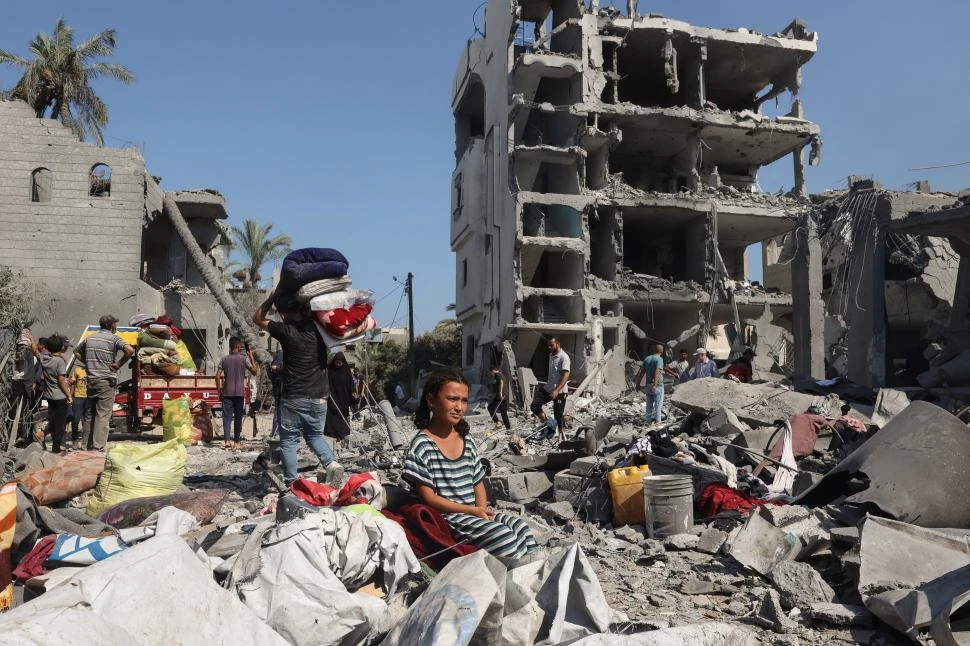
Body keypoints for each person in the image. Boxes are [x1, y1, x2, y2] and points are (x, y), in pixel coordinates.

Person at [403, 370, 538, 560]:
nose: (459, 407)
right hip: (449, 519)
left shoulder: (466, 440)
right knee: (504, 537)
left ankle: (530, 574)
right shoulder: (423, 445)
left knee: (521, 528)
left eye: (464, 400)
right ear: (431, 400)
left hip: (472, 514)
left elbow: (478, 483)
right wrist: (472, 511)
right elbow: (429, 499)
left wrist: (480, 510)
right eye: (452, 399)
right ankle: (509, 579)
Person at [253, 291, 343, 487]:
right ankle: (331, 464)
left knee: (289, 442)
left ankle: (292, 483)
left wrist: (272, 298)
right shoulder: (319, 330)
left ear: (284, 313)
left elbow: (257, 318)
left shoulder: (285, 330)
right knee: (315, 436)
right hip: (320, 396)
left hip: (293, 396)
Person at [74, 315, 133, 451]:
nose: (116, 327)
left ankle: (85, 445)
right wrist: (118, 364)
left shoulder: (90, 338)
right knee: (103, 414)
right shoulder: (114, 338)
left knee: (89, 414)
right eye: (115, 325)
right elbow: (129, 350)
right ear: (112, 325)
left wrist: (88, 363)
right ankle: (98, 446)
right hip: (106, 381)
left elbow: (76, 351)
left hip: (91, 381)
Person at [215, 337, 257, 449]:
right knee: (238, 418)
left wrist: (219, 390)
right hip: (239, 393)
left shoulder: (224, 359)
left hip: (227, 393)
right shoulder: (244, 359)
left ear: (230, 346)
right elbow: (254, 371)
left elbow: (217, 376)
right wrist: (251, 356)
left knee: (226, 418)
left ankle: (227, 442)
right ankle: (236, 442)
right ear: (238, 346)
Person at [34, 334, 71, 453]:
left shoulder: (44, 358)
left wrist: (30, 338)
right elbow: (61, 381)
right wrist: (69, 395)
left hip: (49, 396)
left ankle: (42, 434)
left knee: (54, 419)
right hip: (60, 397)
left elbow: (35, 350)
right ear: (60, 347)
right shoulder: (59, 361)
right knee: (60, 424)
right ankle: (56, 449)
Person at [530, 337, 570, 440]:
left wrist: (557, 390)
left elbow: (566, 376)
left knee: (558, 415)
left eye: (552, 345)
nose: (550, 347)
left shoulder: (564, 357)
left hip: (560, 391)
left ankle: (561, 438)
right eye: (549, 345)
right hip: (548, 388)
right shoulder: (551, 356)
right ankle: (549, 424)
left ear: (558, 343)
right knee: (534, 405)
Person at [325, 352, 354, 447]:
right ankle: (332, 434)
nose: (338, 364)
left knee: (343, 416)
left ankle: (343, 434)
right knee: (332, 414)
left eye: (340, 362)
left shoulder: (346, 369)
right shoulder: (330, 369)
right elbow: (326, 382)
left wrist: (353, 392)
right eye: (337, 362)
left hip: (343, 398)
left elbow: (351, 383)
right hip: (332, 397)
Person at [635, 344, 665, 425]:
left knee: (649, 406)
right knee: (658, 407)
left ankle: (648, 423)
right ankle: (658, 424)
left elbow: (642, 372)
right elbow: (657, 371)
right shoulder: (659, 359)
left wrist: (637, 384)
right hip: (658, 385)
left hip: (648, 385)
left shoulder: (647, 358)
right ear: (662, 351)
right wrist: (655, 384)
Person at [69, 363, 89, 451]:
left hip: (89, 398)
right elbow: (73, 384)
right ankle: (75, 441)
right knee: (75, 421)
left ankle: (85, 443)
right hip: (78, 397)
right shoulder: (78, 370)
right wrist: (70, 396)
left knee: (87, 422)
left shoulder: (93, 370)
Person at [487, 367, 511, 431]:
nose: (491, 374)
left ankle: (498, 422)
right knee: (503, 412)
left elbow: (501, 382)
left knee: (490, 408)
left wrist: (500, 393)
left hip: (500, 396)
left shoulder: (497, 374)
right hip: (504, 396)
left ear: (494, 370)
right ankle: (508, 428)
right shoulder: (501, 374)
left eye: (491, 372)